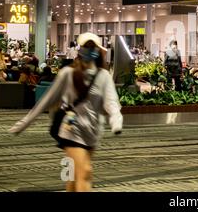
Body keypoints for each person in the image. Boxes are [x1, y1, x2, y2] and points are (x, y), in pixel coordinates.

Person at [9, 32, 123, 192]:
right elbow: (46, 101)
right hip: (71, 131)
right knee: (84, 173)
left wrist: (116, 122)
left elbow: (112, 102)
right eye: (86, 47)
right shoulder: (68, 73)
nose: (90, 50)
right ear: (80, 49)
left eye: (93, 47)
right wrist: (23, 124)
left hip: (92, 133)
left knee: (73, 177)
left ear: (98, 50)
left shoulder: (104, 76)